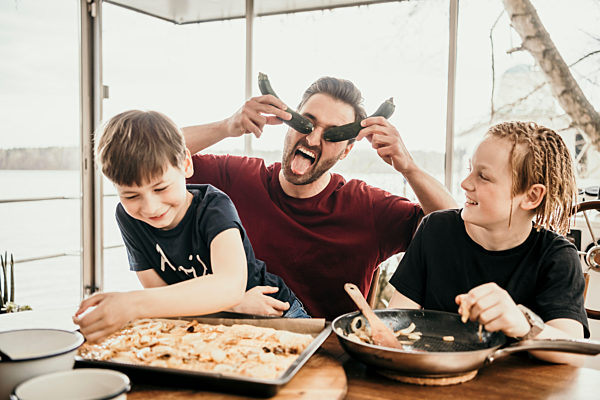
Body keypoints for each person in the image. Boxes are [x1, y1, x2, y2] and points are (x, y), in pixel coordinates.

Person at [183, 77, 457, 320]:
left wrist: (408, 166)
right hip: (231, 345)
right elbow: (149, 156)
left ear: (347, 151)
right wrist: (226, 126)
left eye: (331, 134)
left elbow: (454, 230)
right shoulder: (237, 178)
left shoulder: (369, 208)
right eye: (307, 122)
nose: (313, 139)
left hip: (326, 359)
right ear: (289, 124)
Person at [74, 110, 308, 343]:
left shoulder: (214, 206)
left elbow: (228, 285)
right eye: (131, 196)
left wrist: (131, 304)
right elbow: (160, 296)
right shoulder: (128, 218)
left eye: (160, 188)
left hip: (274, 309)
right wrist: (234, 307)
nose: (151, 208)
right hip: (215, 320)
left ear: (186, 164)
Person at [388, 121, 589, 364]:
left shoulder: (557, 256)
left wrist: (521, 323)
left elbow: (572, 350)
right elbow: (394, 320)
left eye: (483, 176)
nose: (465, 183)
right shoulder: (435, 230)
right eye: (470, 169)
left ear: (532, 196)